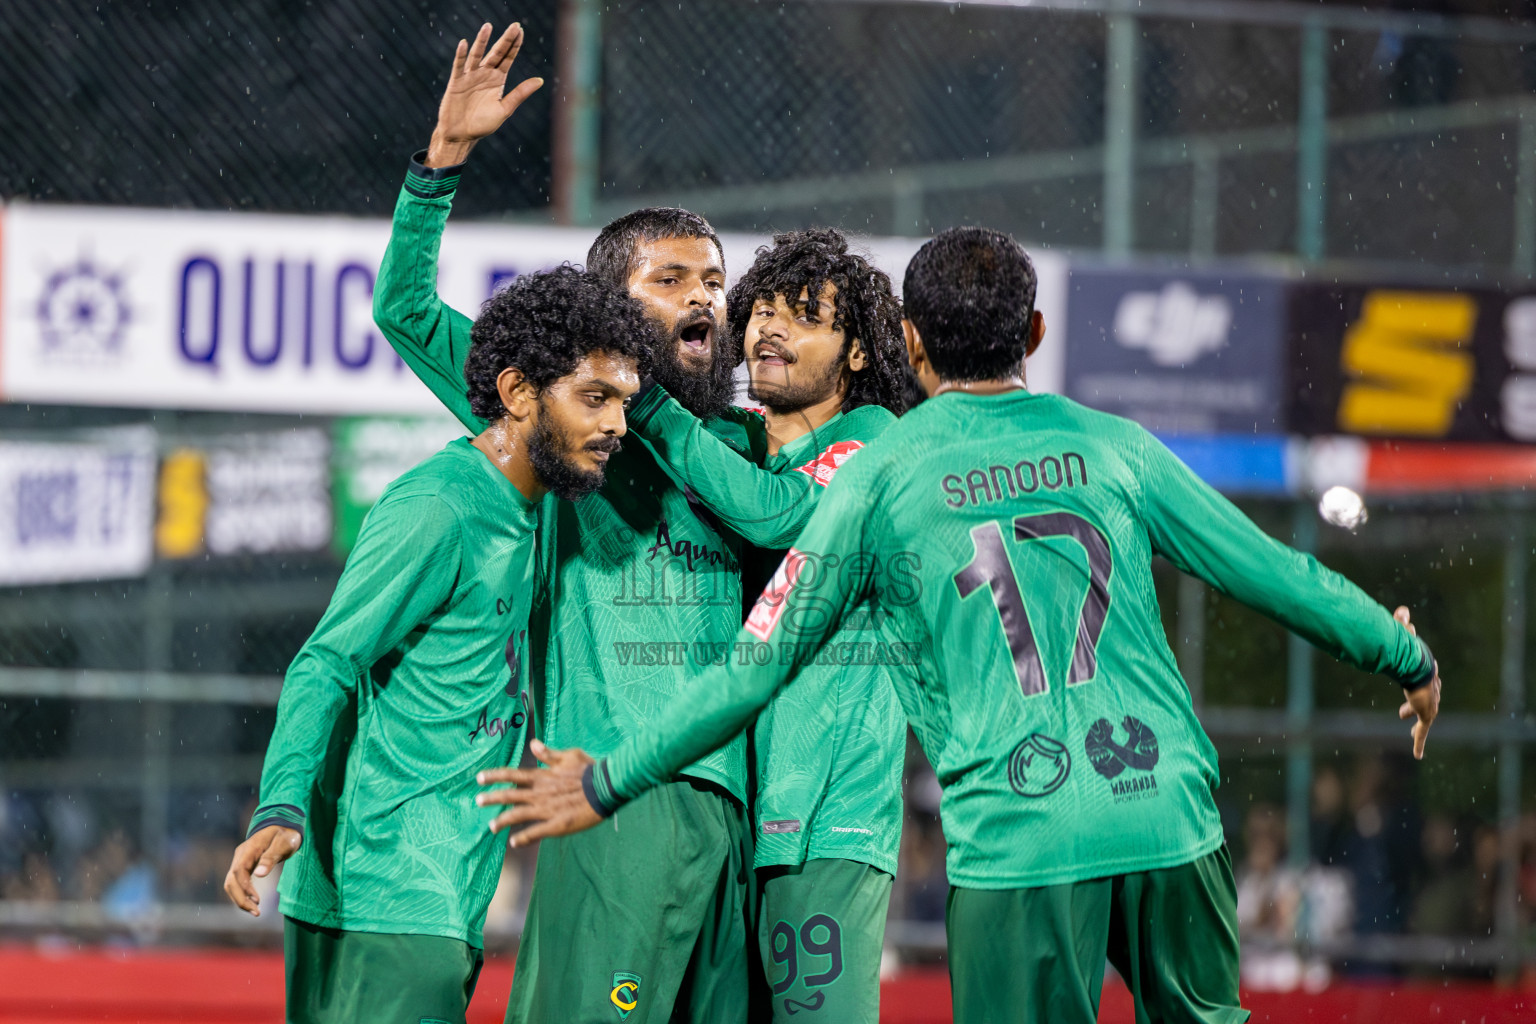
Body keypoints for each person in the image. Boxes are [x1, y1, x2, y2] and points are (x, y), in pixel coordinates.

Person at [483, 227, 1445, 1024]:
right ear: (1031, 328)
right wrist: (1398, 649)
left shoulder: (878, 477)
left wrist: (609, 778)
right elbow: (1274, 574)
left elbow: (752, 667)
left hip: (1022, 836)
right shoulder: (1116, 446)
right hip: (1168, 813)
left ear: (902, 340)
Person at [372, 23, 758, 1022]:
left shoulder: (752, 452)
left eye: (713, 280)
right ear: (607, 307)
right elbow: (407, 309)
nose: (703, 298)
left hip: (739, 818)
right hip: (609, 796)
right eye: (671, 280)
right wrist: (443, 162)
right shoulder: (568, 417)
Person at [222, 265, 647, 1024]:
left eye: (623, 401)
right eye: (595, 397)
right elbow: (327, 660)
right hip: (385, 889)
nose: (617, 422)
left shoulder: (538, 505)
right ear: (518, 395)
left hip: (442, 890)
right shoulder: (439, 508)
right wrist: (279, 801)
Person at [576, 228, 912, 1023]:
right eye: (759, 309)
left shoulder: (875, 443)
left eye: (803, 316)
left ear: (858, 355)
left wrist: (645, 395)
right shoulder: (745, 452)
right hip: (745, 823)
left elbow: (774, 519)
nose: (768, 328)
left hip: (828, 822)